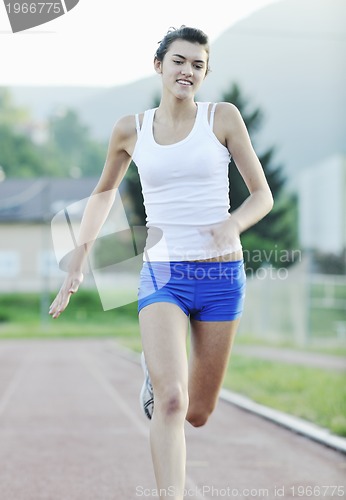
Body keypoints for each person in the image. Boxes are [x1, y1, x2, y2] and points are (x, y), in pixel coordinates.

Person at [49, 26, 273, 500]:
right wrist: (77, 262)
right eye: (179, 61)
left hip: (221, 276)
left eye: (197, 64)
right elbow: (102, 197)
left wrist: (233, 224)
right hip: (164, 276)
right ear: (159, 66)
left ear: (204, 74)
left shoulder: (223, 118)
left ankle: (159, 373)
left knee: (198, 412)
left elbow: (262, 196)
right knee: (172, 400)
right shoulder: (131, 129)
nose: (187, 71)